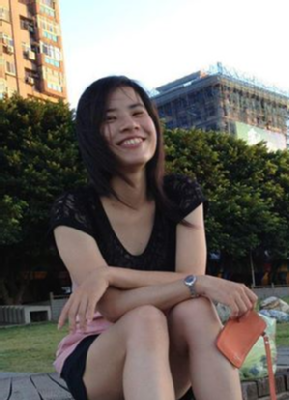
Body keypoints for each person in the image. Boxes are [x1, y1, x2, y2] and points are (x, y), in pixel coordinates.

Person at [50, 75, 258, 400]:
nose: (129, 124)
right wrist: (197, 282)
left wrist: (110, 274)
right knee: (146, 318)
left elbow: (188, 281)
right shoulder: (74, 209)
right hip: (100, 358)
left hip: (170, 352)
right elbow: (113, 306)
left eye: (137, 112)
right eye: (110, 118)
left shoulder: (181, 194)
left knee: (195, 309)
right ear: (91, 136)